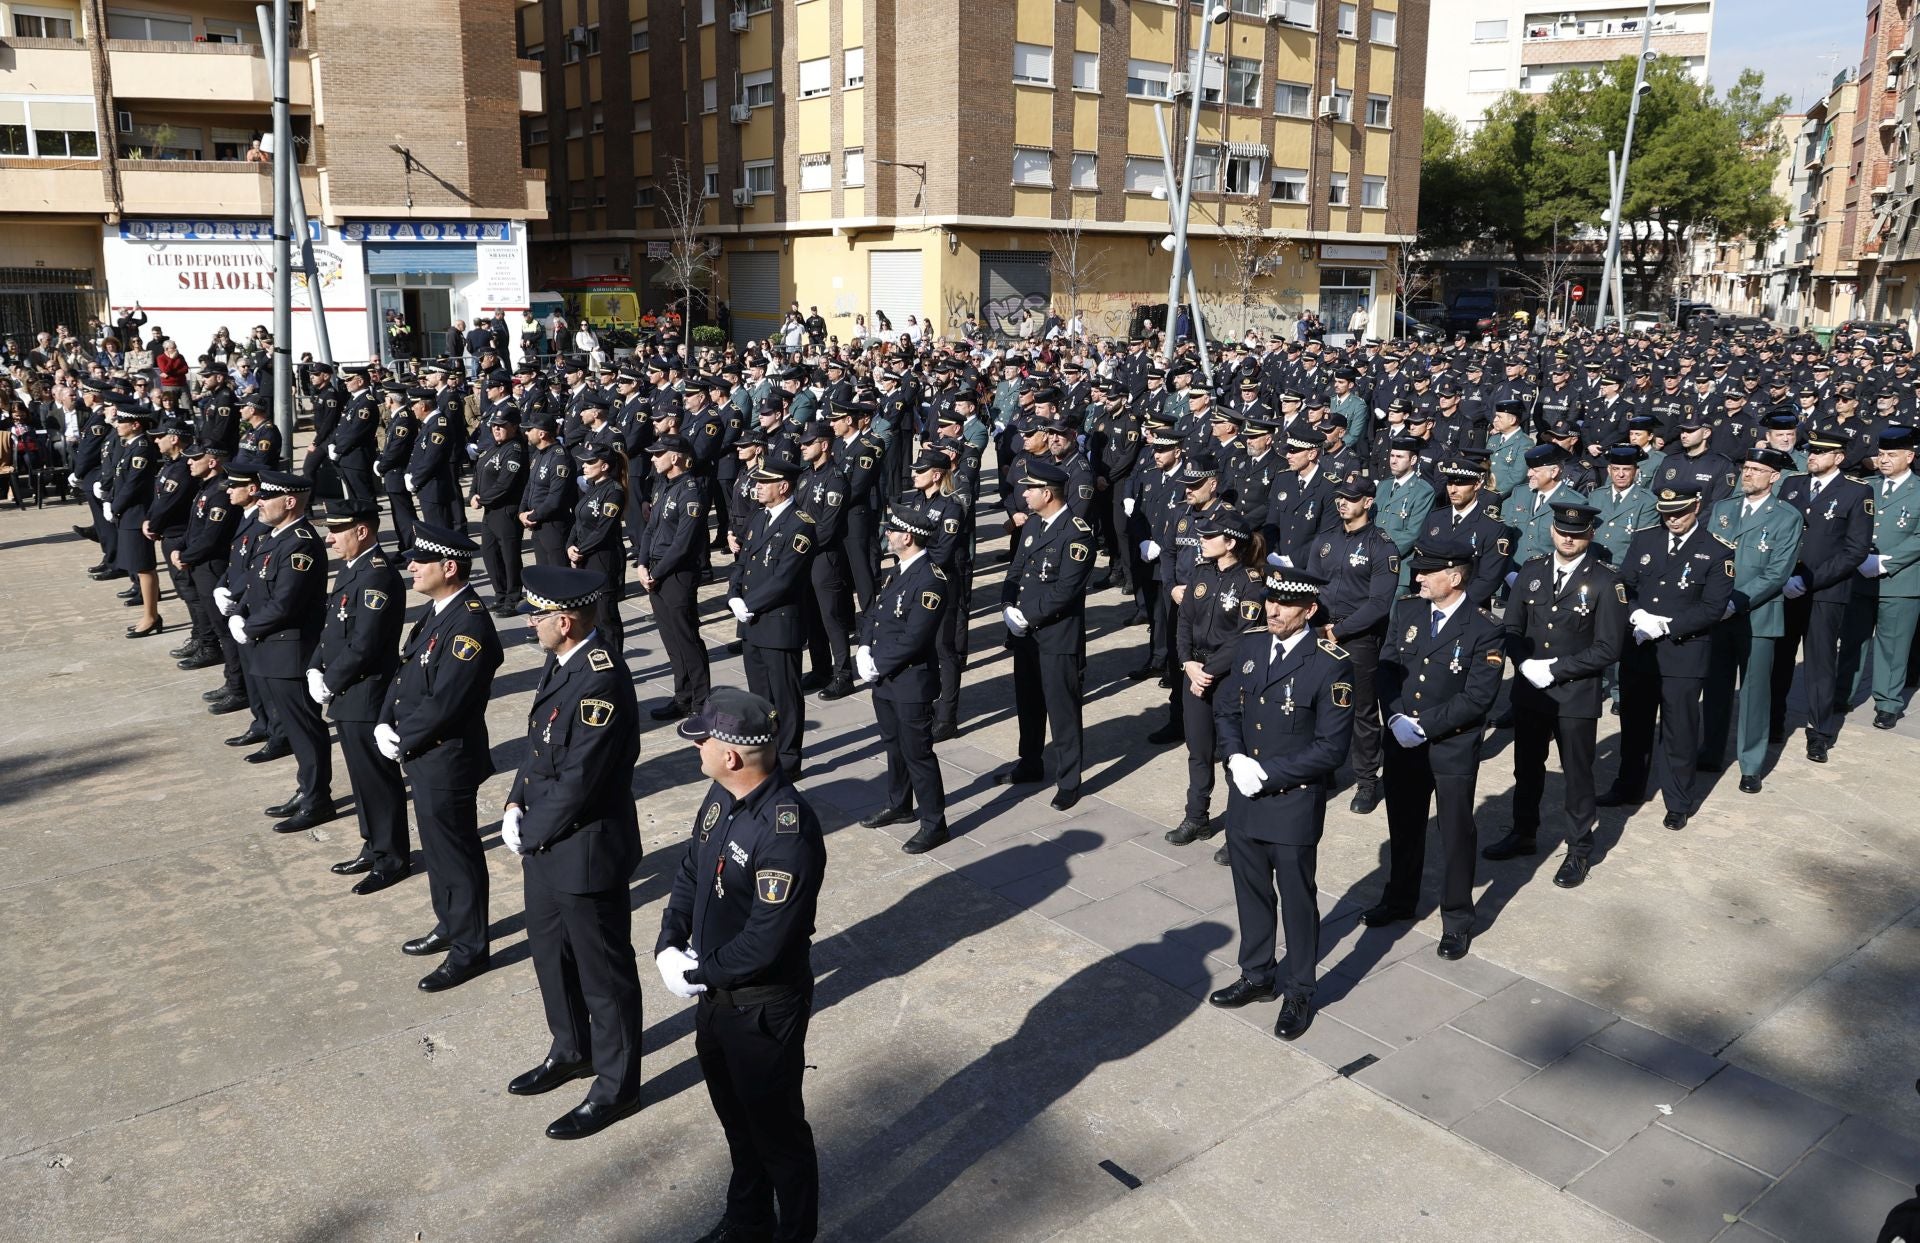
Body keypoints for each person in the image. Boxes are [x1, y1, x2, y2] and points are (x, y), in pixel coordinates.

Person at [658, 688, 826, 1243]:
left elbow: (765, 942)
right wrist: (668, 941)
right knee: (737, 1123)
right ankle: (748, 1217)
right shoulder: (719, 795)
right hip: (716, 1000)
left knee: (780, 1139)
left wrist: (697, 973)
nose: (695, 749)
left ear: (730, 755)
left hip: (761, 1011)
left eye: (701, 740)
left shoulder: (786, 831)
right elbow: (691, 870)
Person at [501, 565, 646, 1141]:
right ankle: (571, 1049)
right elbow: (539, 748)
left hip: (583, 850)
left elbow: (580, 778)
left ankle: (616, 1086)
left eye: (537, 615)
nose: (530, 624)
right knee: (550, 958)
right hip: (546, 843)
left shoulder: (600, 680)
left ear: (564, 621)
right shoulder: (562, 661)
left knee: (604, 977)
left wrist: (531, 830)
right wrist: (515, 803)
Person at [1209, 567, 1354, 1041]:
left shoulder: (1330, 663)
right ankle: (1256, 974)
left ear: (1308, 610)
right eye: (1271, 600)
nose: (1273, 610)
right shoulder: (1252, 645)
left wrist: (1266, 774)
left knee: (1296, 899)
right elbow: (1227, 706)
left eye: (1285, 604)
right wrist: (1233, 757)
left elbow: (1332, 748)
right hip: (1245, 794)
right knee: (1250, 891)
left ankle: (1299, 989)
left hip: (1290, 801)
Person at [379, 523, 504, 992]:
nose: (411, 567)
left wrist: (403, 735)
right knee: (437, 848)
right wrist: (384, 718)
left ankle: (470, 949)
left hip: (446, 756)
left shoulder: (469, 623)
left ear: (449, 568)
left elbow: (447, 700)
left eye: (420, 561)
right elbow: (407, 668)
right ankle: (450, 922)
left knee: (457, 852)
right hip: (423, 752)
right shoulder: (437, 611)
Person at [1369, 533, 1505, 960]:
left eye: (1427, 572)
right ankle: (1399, 898)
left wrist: (1423, 726)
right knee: (1404, 825)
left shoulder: (1485, 629)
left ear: (1456, 576)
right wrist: (1393, 717)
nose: (1419, 577)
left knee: (1455, 833)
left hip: (1450, 747)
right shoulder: (1407, 610)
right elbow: (1387, 669)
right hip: (1401, 740)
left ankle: (1458, 919)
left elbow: (1478, 698)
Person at [1484, 501, 1627, 888]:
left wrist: (1555, 669)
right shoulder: (1531, 572)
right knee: (1526, 768)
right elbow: (1510, 626)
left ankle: (1579, 850)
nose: (1569, 537)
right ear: (1551, 530)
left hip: (1575, 695)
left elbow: (1609, 647)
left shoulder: (1605, 582)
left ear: (1590, 535)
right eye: (1563, 530)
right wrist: (1524, 663)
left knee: (1578, 776)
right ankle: (1523, 832)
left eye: (1577, 533)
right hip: (1531, 691)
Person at [1604, 486, 1737, 830]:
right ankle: (1629, 786)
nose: (1673, 519)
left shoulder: (1716, 550)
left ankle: (1678, 801)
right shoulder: (1646, 539)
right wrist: (1635, 615)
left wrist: (1665, 626)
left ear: (1697, 505)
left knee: (1679, 730)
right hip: (1640, 645)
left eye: (1679, 512)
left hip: (1683, 652)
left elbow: (1713, 607)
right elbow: (1624, 583)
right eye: (1666, 513)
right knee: (1634, 724)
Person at [308, 499, 409, 874]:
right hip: (348, 695)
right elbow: (334, 628)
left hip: (366, 693)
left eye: (336, 531)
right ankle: (373, 844)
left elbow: (364, 643)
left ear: (362, 531)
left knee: (377, 781)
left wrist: (330, 681)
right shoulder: (354, 568)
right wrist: (314, 667)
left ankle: (392, 857)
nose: (330, 539)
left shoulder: (376, 576)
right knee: (362, 778)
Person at [229, 471, 333, 831]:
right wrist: (238, 610)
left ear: (290, 502)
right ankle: (306, 789)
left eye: (267, 496)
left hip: (291, 653)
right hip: (270, 650)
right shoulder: (274, 536)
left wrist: (248, 626)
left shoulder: (300, 542)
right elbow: (258, 586)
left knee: (305, 729)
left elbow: (286, 603)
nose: (259, 501)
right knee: (292, 727)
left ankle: (317, 799)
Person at [997, 459, 1098, 811]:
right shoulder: (1034, 525)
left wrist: (1025, 614)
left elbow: (1067, 590)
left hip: (1056, 636)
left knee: (1062, 710)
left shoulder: (1077, 532)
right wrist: (1008, 606)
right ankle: (1030, 762)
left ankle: (1069, 780)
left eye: (1029, 489)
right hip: (1025, 634)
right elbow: (1016, 571)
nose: (1023, 494)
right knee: (1028, 703)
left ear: (1047, 493)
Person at [1700, 448, 1802, 793]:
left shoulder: (1786, 517)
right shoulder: (1725, 508)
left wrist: (1736, 601)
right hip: (1718, 616)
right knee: (1715, 687)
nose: (1749, 475)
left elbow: (1777, 573)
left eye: (1758, 470)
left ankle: (1751, 764)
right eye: (1747, 468)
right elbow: (1709, 557)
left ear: (1774, 477)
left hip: (1758, 617)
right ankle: (1710, 751)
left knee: (1755, 693)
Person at [1164, 508, 1268, 847]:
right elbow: (1184, 623)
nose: (1202, 540)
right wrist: (1187, 664)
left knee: (1232, 754)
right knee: (1198, 750)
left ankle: (1238, 830)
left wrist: (1206, 672)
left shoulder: (1250, 583)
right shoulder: (1200, 572)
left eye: (1210, 536)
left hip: (1226, 678)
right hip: (1194, 671)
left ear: (1230, 542)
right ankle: (1197, 817)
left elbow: (1243, 637)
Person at [854, 500, 951, 854]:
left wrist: (877, 661)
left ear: (907, 538)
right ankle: (900, 804)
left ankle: (934, 823)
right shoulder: (898, 570)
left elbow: (916, 636)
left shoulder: (930, 580)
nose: (887, 535)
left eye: (892, 530)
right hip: (886, 679)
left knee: (918, 754)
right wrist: (864, 648)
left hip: (910, 681)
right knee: (893, 747)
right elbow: (876, 615)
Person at [1769, 429, 1872, 763]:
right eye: (1811, 451)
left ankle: (1820, 731)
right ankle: (1773, 721)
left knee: (1820, 663)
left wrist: (1808, 581)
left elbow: (1854, 551)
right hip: (1785, 589)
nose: (1811, 456)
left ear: (1838, 458)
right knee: (1779, 659)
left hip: (1825, 592)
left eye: (1820, 452)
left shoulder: (1857, 492)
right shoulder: (1792, 484)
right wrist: (1784, 577)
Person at [1302, 479, 1400, 815]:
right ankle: (1323, 768)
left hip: (1359, 638)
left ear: (1368, 502)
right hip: (1320, 632)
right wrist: (1316, 626)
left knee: (1361, 712)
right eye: (1340, 498)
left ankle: (1367, 781)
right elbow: (1310, 587)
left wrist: (1339, 631)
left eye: (1351, 499)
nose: (1343, 503)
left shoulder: (1382, 546)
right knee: (1318, 705)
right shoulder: (1325, 540)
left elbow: (1378, 604)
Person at [728, 455, 814, 779]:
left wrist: (748, 602)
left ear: (783, 485)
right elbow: (742, 562)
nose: (757, 487)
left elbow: (785, 578)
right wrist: (733, 595)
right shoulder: (758, 517)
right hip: (752, 622)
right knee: (760, 696)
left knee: (786, 697)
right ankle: (765, 751)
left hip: (778, 622)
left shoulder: (800, 523)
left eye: (764, 483)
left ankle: (789, 759)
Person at [1839, 426, 1920, 731]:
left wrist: (1888, 562)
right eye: (1881, 454)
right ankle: (1842, 693)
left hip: (1901, 581)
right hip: (1859, 577)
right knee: (1852, 640)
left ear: (1909, 457)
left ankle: (1887, 702)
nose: (1884, 460)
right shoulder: (1864, 486)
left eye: (1892, 455)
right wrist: (1859, 558)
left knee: (1892, 645)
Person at [638, 434, 713, 721]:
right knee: (670, 639)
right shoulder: (663, 487)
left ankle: (701, 701)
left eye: (659, 454)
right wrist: (643, 563)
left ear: (676, 457)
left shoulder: (691, 491)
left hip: (677, 574)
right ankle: (682, 696)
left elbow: (682, 544)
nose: (654, 459)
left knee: (686, 638)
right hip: (656, 571)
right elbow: (650, 529)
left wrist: (655, 572)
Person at [567, 443, 628, 652]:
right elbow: (579, 521)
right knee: (588, 616)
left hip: (603, 560)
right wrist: (570, 545)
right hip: (586, 556)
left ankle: (614, 664)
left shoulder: (614, 492)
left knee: (605, 617)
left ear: (605, 466)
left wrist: (579, 551)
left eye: (591, 462)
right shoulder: (593, 488)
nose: (585, 466)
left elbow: (603, 530)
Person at [469, 408, 529, 617]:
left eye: (501, 426)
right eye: (494, 425)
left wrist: (482, 498)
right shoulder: (493, 448)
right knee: (490, 554)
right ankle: (500, 594)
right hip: (490, 511)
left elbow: (505, 484)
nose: (496, 429)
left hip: (506, 511)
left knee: (509, 555)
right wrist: (473, 494)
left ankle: (513, 597)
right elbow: (478, 472)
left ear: (513, 427)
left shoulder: (514, 450)